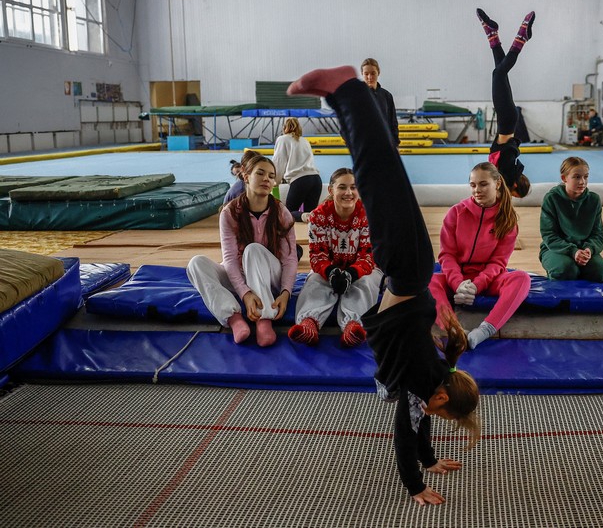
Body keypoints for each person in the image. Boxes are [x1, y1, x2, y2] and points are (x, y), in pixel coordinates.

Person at [288, 64, 480, 506]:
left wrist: (430, 458)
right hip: (406, 269)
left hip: (413, 269)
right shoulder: (422, 385)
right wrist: (416, 483)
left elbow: (422, 423)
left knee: (385, 170)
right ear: (441, 395)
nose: (432, 415)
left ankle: (344, 94)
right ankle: (345, 88)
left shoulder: (435, 379)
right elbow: (404, 435)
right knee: (376, 174)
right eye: (441, 411)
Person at [187, 151, 298, 347]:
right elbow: (229, 259)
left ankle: (264, 318)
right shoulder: (230, 212)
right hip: (240, 277)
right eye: (260, 173)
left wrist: (285, 292)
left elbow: (290, 259)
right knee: (196, 264)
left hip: (268, 277)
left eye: (271, 176)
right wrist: (245, 293)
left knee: (253, 250)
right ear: (246, 177)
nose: (267, 179)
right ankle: (234, 318)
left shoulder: (281, 212)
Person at [429, 162, 531, 350]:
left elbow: (498, 262)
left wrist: (476, 286)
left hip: (488, 279)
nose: (477, 190)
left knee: (521, 278)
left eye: (483, 184)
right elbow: (447, 255)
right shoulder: (456, 213)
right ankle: (454, 330)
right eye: (473, 185)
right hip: (457, 278)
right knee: (430, 281)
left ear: (497, 183)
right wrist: (457, 283)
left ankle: (484, 331)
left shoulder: (507, 219)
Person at [288, 168, 383, 348]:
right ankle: (309, 322)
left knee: (365, 284)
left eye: (353, 188)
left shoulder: (368, 216)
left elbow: (368, 256)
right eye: (342, 187)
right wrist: (331, 272)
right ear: (331, 190)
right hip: (330, 267)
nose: (348, 193)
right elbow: (317, 255)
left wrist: (352, 274)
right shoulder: (318, 216)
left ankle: (352, 325)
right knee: (315, 281)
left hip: (362, 269)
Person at [476, 8, 535, 198]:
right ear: (515, 185)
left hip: (507, 120)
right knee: (498, 74)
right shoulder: (508, 170)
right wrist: (505, 190)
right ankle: (522, 38)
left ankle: (492, 34)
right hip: (507, 120)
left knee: (500, 71)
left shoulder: (507, 170)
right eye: (514, 194)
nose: (511, 196)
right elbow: (502, 185)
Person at [540, 156, 603, 282]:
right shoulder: (552, 199)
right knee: (566, 270)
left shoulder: (594, 200)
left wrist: (589, 250)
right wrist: (573, 251)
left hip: (584, 250)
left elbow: (598, 234)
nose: (582, 181)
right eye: (577, 177)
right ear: (564, 178)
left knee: (600, 272)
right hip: (556, 249)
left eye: (586, 177)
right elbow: (549, 235)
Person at [272, 117, 323, 223]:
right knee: (311, 218)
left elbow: (279, 161)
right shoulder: (305, 141)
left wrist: (275, 182)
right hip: (316, 179)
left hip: (300, 180)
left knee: (289, 213)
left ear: (284, 127)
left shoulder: (282, 139)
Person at [361, 58, 400, 147]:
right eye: (366, 74)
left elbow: (393, 122)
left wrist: (395, 143)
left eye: (373, 73)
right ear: (362, 74)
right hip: (363, 145)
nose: (369, 77)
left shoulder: (387, 96)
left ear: (378, 72)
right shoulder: (355, 96)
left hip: (384, 144)